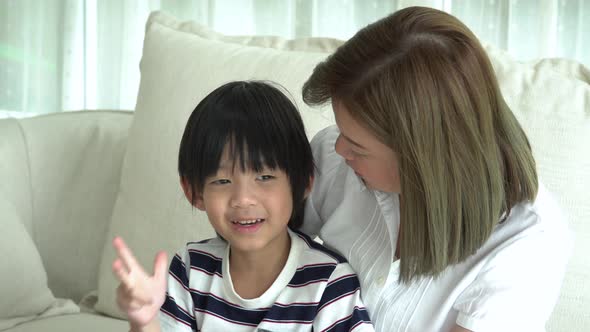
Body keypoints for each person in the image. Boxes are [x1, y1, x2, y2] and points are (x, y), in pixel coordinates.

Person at [301, 6, 572, 332]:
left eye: (358, 147)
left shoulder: (527, 245)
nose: (339, 149)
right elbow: (257, 260)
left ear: (422, 158)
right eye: (341, 131)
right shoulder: (333, 158)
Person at [111, 81, 374, 332]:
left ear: (303, 183)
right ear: (194, 192)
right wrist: (144, 320)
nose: (243, 199)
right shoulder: (191, 268)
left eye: (265, 177)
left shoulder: (329, 283)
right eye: (222, 180)